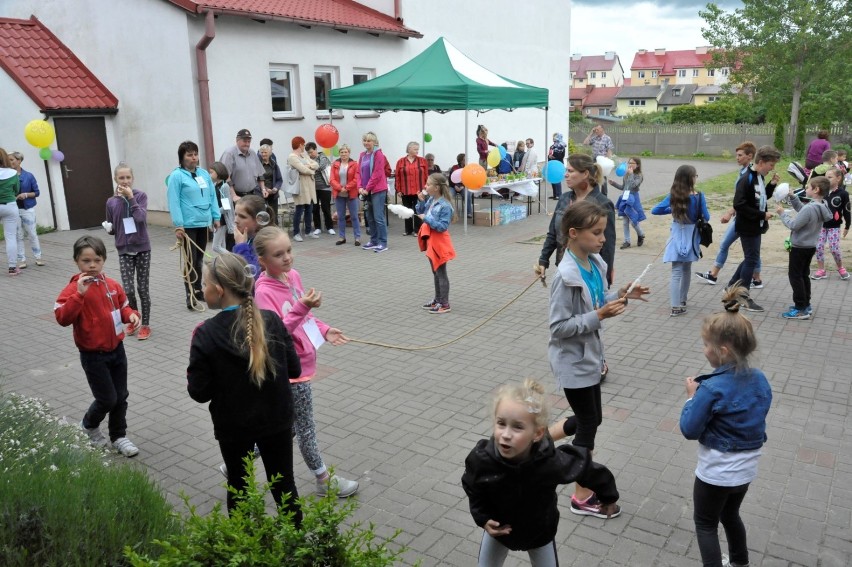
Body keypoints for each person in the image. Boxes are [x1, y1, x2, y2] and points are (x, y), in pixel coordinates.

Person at [546, 200, 648, 518]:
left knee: (592, 419)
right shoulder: (565, 277)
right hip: (572, 361)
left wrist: (621, 296)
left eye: (603, 231)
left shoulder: (596, 264)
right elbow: (559, 327)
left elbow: (598, 299)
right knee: (588, 425)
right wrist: (599, 315)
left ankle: (538, 440)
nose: (603, 239)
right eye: (596, 232)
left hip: (591, 358)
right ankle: (581, 495)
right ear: (574, 234)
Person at [187, 253, 302, 519]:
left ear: (218, 290)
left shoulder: (206, 333)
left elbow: (199, 392)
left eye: (204, 284)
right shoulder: (271, 320)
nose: (202, 289)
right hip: (278, 420)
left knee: (238, 485)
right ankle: (296, 545)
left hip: (233, 427)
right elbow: (294, 369)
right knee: (285, 484)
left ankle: (243, 546)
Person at [462, 378, 621, 567]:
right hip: (498, 530)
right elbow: (473, 486)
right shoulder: (482, 459)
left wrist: (608, 497)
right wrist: (483, 518)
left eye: (517, 427)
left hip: (539, 534)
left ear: (537, 433)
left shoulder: (550, 462)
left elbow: (586, 468)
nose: (506, 434)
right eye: (501, 423)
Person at [253, 226, 360, 498]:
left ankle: (236, 461)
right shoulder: (264, 291)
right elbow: (274, 332)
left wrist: (324, 330)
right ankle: (323, 479)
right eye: (278, 255)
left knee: (286, 426)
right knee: (305, 427)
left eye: (289, 250)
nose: (287, 258)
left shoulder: (293, 277)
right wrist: (304, 307)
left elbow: (303, 318)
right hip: (289, 369)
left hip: (302, 362)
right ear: (262, 261)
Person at [680, 285, 771, 567]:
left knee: (705, 523)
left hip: (716, 472)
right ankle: (740, 562)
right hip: (746, 468)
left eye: (706, 345)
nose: (703, 349)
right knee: (730, 515)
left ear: (721, 350)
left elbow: (690, 430)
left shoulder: (710, 388)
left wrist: (692, 398)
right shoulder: (759, 379)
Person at [54, 235, 141, 457]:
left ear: (103, 260)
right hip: (93, 355)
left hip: (117, 350)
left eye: (97, 260)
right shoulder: (73, 288)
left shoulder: (112, 284)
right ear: (76, 261)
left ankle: (119, 436)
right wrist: (78, 296)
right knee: (107, 398)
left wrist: (131, 315)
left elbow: (124, 306)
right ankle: (88, 425)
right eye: (86, 261)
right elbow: (62, 318)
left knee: (121, 395)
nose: (92, 265)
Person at [535, 154, 616, 289]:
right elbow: (553, 234)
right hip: (564, 267)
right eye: (566, 171)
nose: (566, 175)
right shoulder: (564, 199)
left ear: (585, 174)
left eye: (570, 171)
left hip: (589, 271)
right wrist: (543, 260)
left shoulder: (602, 203)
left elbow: (607, 246)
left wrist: (604, 279)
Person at [695, 143, 762, 287]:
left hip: (745, 219)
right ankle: (755, 279)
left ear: (750, 156)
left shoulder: (751, 174)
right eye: (736, 155)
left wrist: (730, 212)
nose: (737, 158)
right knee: (750, 250)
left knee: (746, 250)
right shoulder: (743, 172)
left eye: (740, 155)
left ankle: (753, 278)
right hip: (742, 217)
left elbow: (745, 200)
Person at [724, 145, 781, 313]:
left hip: (756, 225)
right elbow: (739, 204)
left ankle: (732, 286)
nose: (772, 169)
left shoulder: (759, 178)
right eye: (771, 165)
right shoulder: (747, 178)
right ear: (761, 162)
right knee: (751, 259)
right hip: (748, 225)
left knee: (751, 257)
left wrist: (772, 184)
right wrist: (761, 215)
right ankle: (743, 296)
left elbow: (761, 197)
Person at [167, 141, 221, 309]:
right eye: (189, 155)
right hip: (188, 225)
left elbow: (212, 196)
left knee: (199, 259)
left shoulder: (204, 174)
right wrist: (178, 225)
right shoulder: (177, 176)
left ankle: (198, 290)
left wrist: (215, 216)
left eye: (195, 154)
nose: (194, 158)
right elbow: (174, 201)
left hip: (203, 222)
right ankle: (190, 294)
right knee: (190, 261)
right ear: (182, 157)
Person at [651, 165, 710, 317]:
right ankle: (682, 300)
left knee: (675, 271)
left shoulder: (674, 195)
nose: (697, 178)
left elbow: (655, 210)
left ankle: (675, 305)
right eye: (695, 175)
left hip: (677, 232)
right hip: (691, 234)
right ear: (690, 178)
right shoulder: (698, 196)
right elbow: (706, 217)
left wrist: (674, 209)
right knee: (686, 269)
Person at [104, 163, 153, 340]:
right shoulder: (111, 201)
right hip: (124, 249)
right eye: (121, 178)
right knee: (128, 289)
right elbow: (111, 226)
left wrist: (131, 198)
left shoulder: (140, 196)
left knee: (142, 288)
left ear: (132, 179)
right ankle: (135, 319)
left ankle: (146, 325)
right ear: (115, 179)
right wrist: (109, 228)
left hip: (142, 248)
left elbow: (140, 218)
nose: (125, 181)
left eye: (128, 178)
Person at [775, 176, 832, 319]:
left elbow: (793, 225)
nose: (805, 189)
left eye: (808, 187)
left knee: (795, 276)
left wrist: (782, 214)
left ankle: (800, 309)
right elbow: (803, 210)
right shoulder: (821, 205)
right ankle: (806, 304)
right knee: (803, 275)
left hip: (799, 247)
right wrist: (794, 198)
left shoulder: (810, 208)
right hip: (810, 246)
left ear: (816, 189)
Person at [416, 173, 456, 314]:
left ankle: (445, 304)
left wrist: (427, 219)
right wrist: (420, 201)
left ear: (437, 187)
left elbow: (442, 226)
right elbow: (420, 212)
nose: (425, 186)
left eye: (428, 184)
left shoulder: (445, 206)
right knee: (435, 272)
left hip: (440, 241)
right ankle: (438, 299)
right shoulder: (432, 200)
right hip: (431, 240)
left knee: (441, 272)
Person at [810, 167, 850, 281]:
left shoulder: (843, 194)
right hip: (820, 225)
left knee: (834, 248)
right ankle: (821, 270)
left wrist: (847, 225)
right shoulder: (821, 192)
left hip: (834, 226)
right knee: (818, 247)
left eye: (830, 177)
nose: (827, 179)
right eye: (825, 177)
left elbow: (847, 210)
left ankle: (841, 267)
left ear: (838, 178)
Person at [9, 152, 44, 268]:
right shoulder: (7, 176)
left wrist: (26, 194)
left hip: (27, 208)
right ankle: (22, 260)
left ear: (19, 161)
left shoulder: (29, 176)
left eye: (12, 159)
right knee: (18, 235)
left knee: (32, 234)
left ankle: (38, 257)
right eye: (8, 160)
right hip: (13, 209)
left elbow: (37, 192)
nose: (10, 162)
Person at [358, 131, 390, 253]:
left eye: (369, 140)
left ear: (375, 142)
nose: (366, 143)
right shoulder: (362, 155)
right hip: (366, 190)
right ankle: (374, 240)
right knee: (369, 217)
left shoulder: (378, 155)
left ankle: (383, 242)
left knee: (378, 217)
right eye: (365, 140)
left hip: (377, 190)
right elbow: (358, 173)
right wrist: (360, 187)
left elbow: (377, 174)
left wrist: (367, 189)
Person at [232, 194, 273, 278]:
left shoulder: (265, 243)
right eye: (235, 214)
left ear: (259, 219)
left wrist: (241, 246)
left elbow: (253, 275)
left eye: (242, 217)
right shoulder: (248, 238)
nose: (236, 220)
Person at [609, 157, 645, 249]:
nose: (630, 165)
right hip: (625, 197)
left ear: (637, 165)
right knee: (625, 221)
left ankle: (641, 234)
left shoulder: (639, 175)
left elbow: (633, 185)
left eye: (632, 163)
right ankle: (627, 241)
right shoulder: (626, 174)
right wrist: (614, 184)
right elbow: (623, 187)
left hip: (633, 198)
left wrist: (631, 174)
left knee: (634, 220)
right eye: (629, 162)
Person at [220, 129, 266, 200]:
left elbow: (260, 174)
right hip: (236, 196)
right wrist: (233, 195)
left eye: (249, 141)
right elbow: (225, 177)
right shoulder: (229, 154)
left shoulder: (253, 153)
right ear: (237, 140)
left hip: (252, 195)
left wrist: (263, 189)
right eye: (244, 141)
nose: (247, 144)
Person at [287, 136, 318, 242]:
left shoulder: (303, 155)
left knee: (309, 209)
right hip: (300, 187)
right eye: (303, 144)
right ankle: (296, 233)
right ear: (300, 144)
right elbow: (302, 169)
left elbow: (316, 164)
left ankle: (308, 231)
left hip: (309, 186)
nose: (304, 146)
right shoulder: (292, 157)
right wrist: (311, 169)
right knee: (299, 210)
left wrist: (308, 166)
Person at [394, 141, 428, 236]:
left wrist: (426, 189)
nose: (417, 151)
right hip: (406, 189)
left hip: (419, 190)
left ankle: (417, 230)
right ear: (409, 149)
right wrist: (398, 189)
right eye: (415, 149)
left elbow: (426, 176)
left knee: (418, 210)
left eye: (418, 149)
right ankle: (408, 229)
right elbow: (397, 176)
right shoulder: (400, 161)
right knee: (406, 210)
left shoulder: (422, 161)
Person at [330, 144, 361, 246]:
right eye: (342, 152)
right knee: (341, 217)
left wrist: (346, 188)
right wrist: (340, 188)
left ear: (349, 153)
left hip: (351, 193)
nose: (343, 154)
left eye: (345, 152)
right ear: (339, 153)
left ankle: (357, 237)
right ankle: (342, 237)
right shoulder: (335, 164)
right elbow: (332, 179)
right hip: (339, 194)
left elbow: (356, 179)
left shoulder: (355, 164)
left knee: (354, 216)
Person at [0, 148, 21, 276]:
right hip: (9, 206)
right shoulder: (13, 173)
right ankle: (12, 268)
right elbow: (16, 190)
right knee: (10, 237)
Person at [306, 142, 334, 236]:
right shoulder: (308, 159)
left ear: (315, 149)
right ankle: (317, 227)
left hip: (324, 187)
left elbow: (321, 166)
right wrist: (310, 166)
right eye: (308, 153)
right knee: (315, 208)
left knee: (326, 208)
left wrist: (310, 167)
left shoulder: (322, 157)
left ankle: (329, 227)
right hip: (313, 188)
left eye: (311, 152)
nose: (310, 154)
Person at [209, 161, 235, 254]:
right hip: (218, 218)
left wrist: (214, 212)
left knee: (216, 247)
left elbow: (226, 207)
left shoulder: (224, 186)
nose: (210, 174)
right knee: (222, 245)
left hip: (222, 220)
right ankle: (225, 265)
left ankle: (233, 259)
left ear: (219, 172)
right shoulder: (215, 185)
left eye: (211, 172)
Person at [258, 143, 282, 225]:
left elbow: (279, 179)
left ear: (270, 153)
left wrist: (275, 188)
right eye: (262, 152)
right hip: (261, 194)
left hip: (273, 194)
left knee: (273, 216)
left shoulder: (274, 165)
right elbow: (256, 180)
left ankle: (274, 234)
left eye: (265, 152)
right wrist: (265, 189)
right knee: (263, 216)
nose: (263, 154)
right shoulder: (258, 165)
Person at [448, 153, 473, 219]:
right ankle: (450, 213)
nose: (467, 160)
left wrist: (463, 186)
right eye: (465, 159)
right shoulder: (454, 167)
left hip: (463, 186)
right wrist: (454, 186)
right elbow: (450, 179)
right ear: (461, 160)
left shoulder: (468, 168)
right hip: (453, 186)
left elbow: (470, 180)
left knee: (467, 193)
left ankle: (468, 212)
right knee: (449, 194)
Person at [547, 133, 567, 199]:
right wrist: (549, 157)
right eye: (553, 137)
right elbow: (549, 155)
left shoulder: (562, 146)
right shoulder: (552, 146)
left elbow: (561, 156)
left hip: (558, 163)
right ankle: (555, 194)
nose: (553, 138)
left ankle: (559, 195)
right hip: (552, 163)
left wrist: (554, 157)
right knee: (553, 179)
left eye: (554, 137)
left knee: (557, 179)